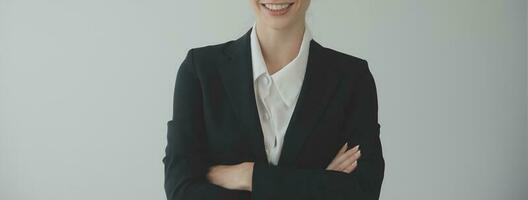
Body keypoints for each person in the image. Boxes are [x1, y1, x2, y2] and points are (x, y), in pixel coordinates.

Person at [162, 0, 385, 199]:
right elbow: (181, 190)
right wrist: (318, 184)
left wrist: (249, 176)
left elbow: (362, 191)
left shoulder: (352, 79)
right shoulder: (200, 71)